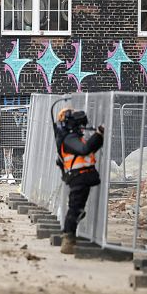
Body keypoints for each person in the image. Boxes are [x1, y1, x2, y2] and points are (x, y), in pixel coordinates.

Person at [53, 107, 104, 255]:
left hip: (83, 177)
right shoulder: (69, 139)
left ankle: (70, 237)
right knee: (75, 208)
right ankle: (68, 240)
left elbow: (88, 149)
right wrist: (99, 134)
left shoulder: (73, 137)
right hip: (78, 178)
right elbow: (85, 149)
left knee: (78, 209)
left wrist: (98, 136)